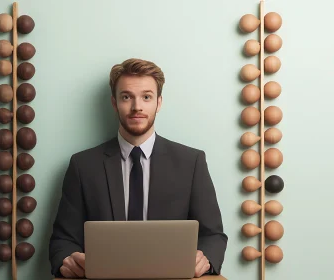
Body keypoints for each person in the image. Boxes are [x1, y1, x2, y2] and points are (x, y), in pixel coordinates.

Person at [49, 58, 228, 278]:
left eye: (146, 97)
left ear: (159, 103)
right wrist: (67, 259)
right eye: (126, 97)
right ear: (114, 103)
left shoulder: (192, 162)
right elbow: (62, 240)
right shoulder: (82, 166)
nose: (137, 107)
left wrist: (206, 259)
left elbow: (214, 236)